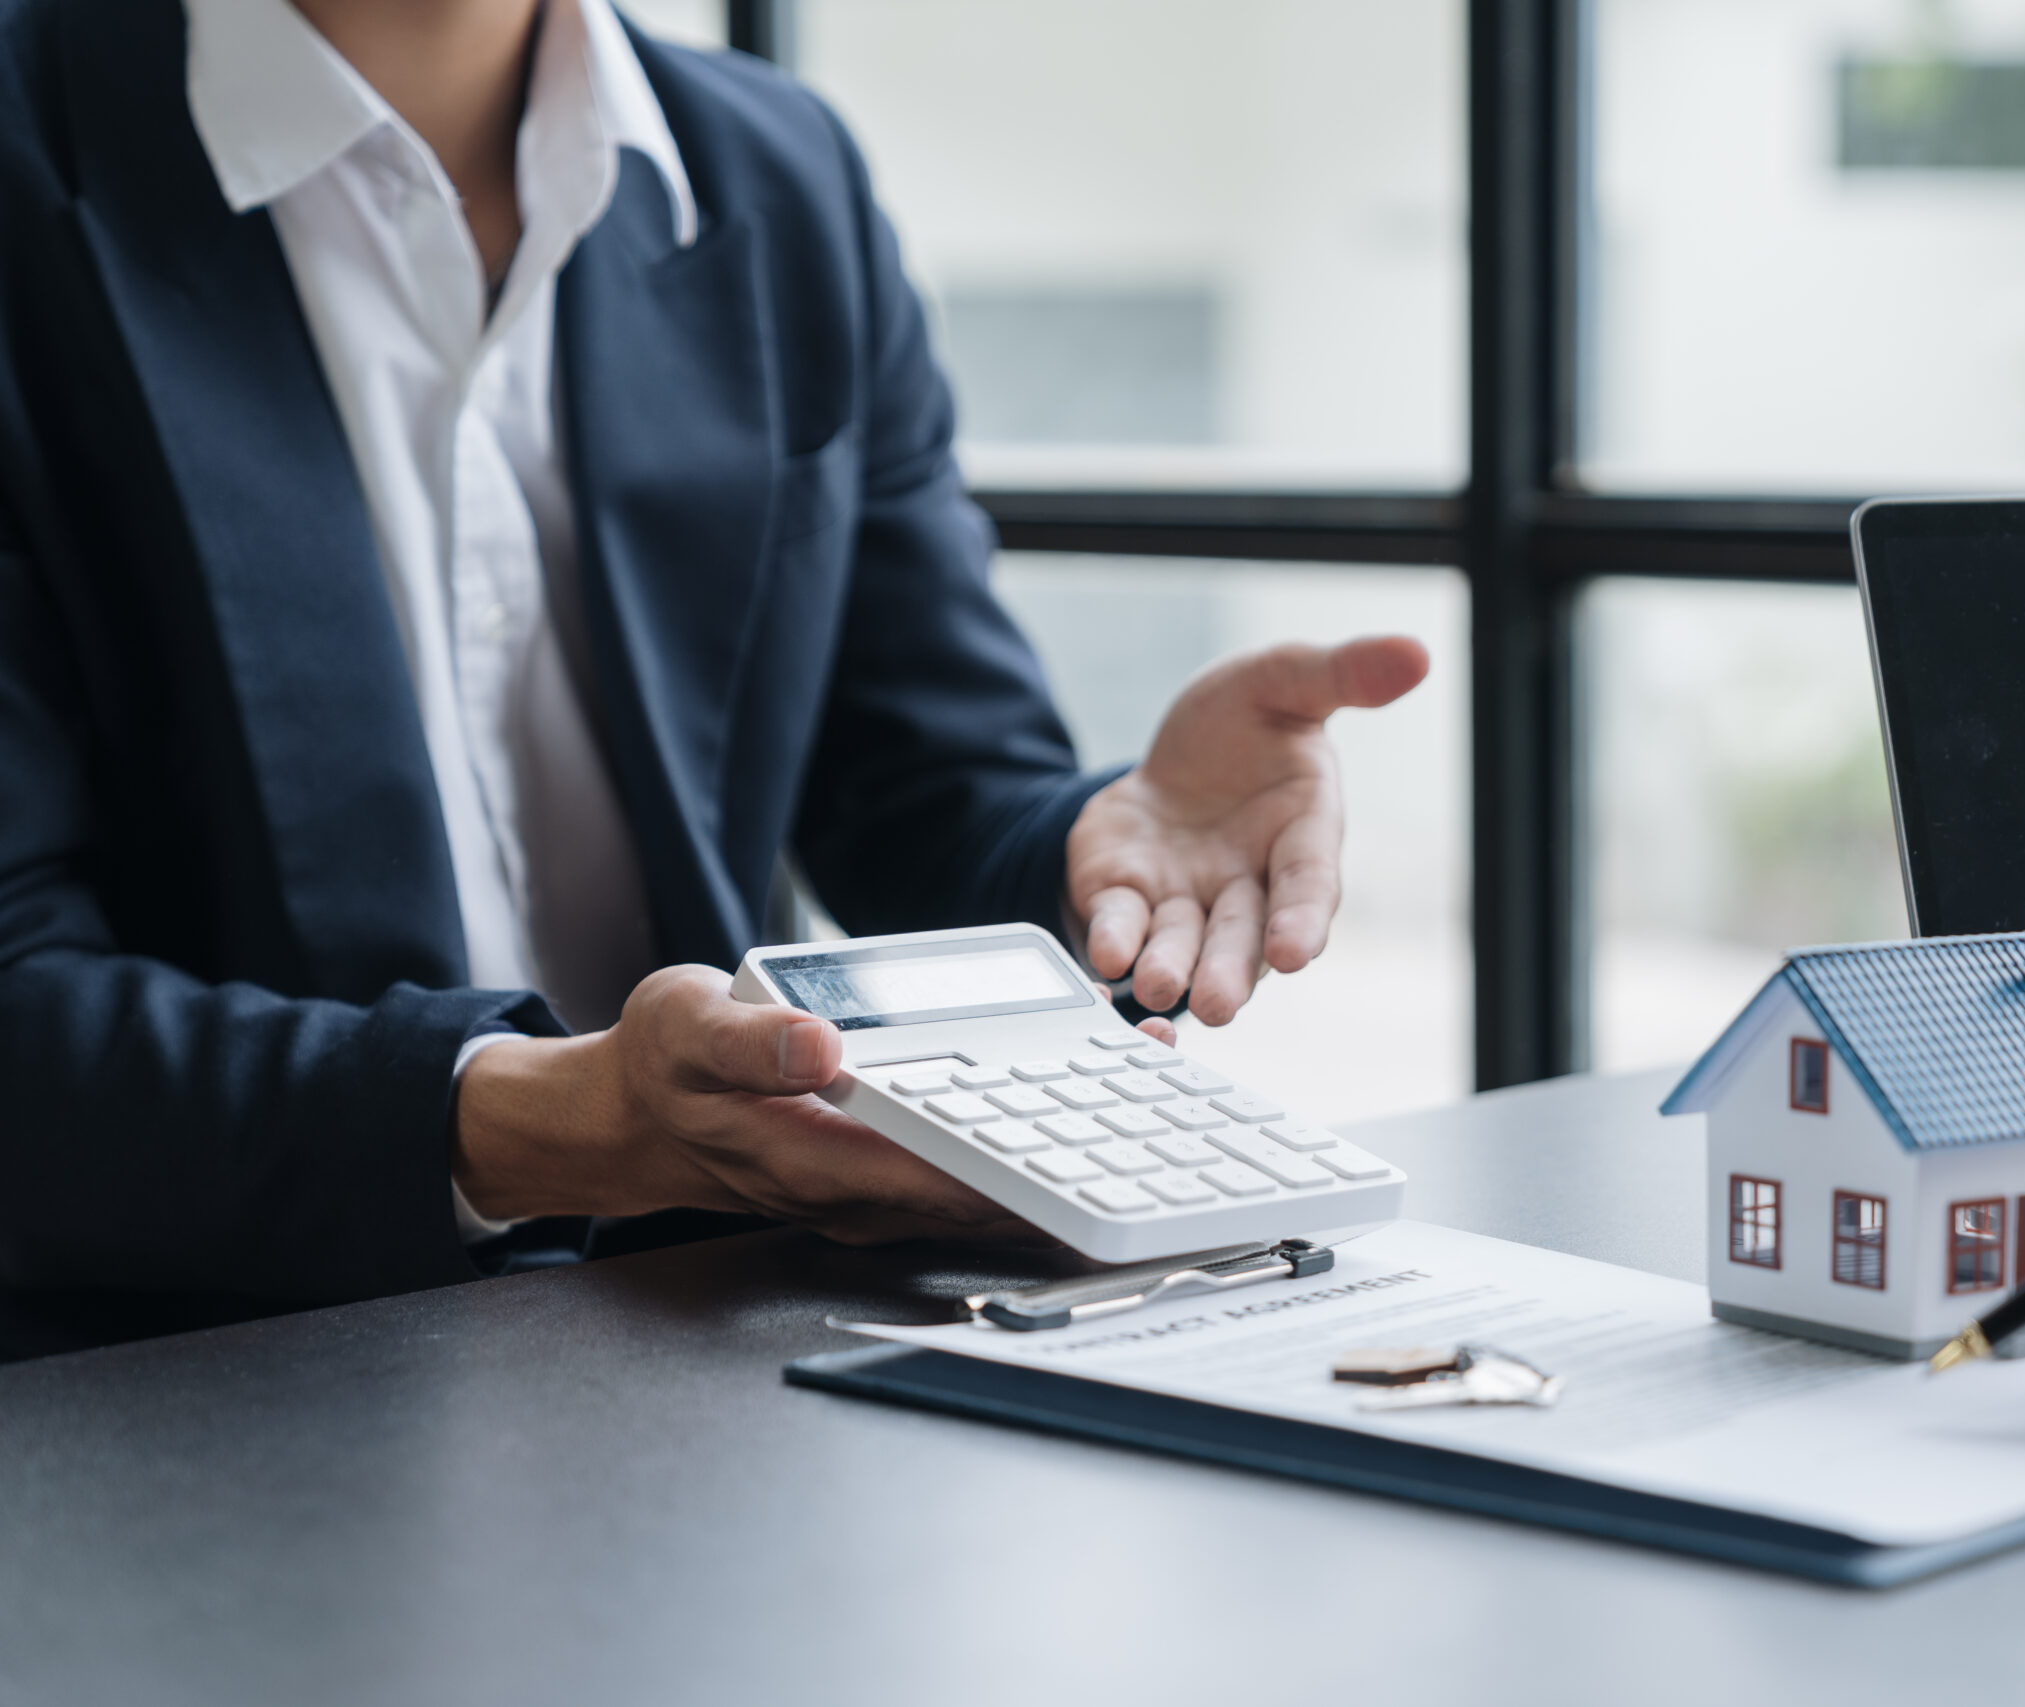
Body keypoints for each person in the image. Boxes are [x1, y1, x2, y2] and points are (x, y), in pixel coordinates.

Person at [0, 0, 1426, 1359]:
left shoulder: (773, 175)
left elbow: (927, 795)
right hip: (179, 1386)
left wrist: (1100, 857)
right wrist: (535, 1122)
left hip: (719, 1334)